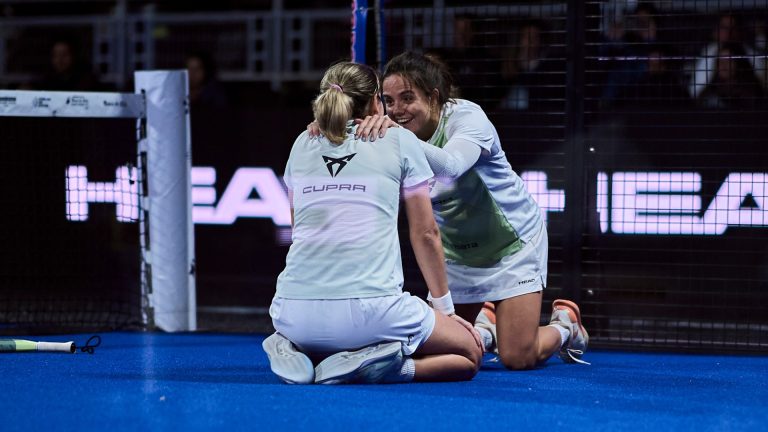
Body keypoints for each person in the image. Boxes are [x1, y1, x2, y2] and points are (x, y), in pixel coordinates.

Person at [311, 52, 589, 370]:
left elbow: (451, 168)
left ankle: (566, 326)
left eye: (407, 98)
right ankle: (485, 330)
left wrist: (395, 136)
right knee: (431, 352)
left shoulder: (467, 119)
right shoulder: (388, 134)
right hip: (456, 256)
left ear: (433, 97)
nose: (397, 110)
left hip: (512, 247)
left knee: (517, 357)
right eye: (388, 100)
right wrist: (325, 130)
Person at [262, 61, 483, 385]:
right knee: (469, 355)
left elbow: (298, 230)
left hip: (290, 313)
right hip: (373, 313)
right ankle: (386, 366)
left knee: (326, 332)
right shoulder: (399, 140)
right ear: (374, 103)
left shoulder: (302, 142)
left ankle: (291, 344)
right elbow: (425, 233)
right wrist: (446, 312)